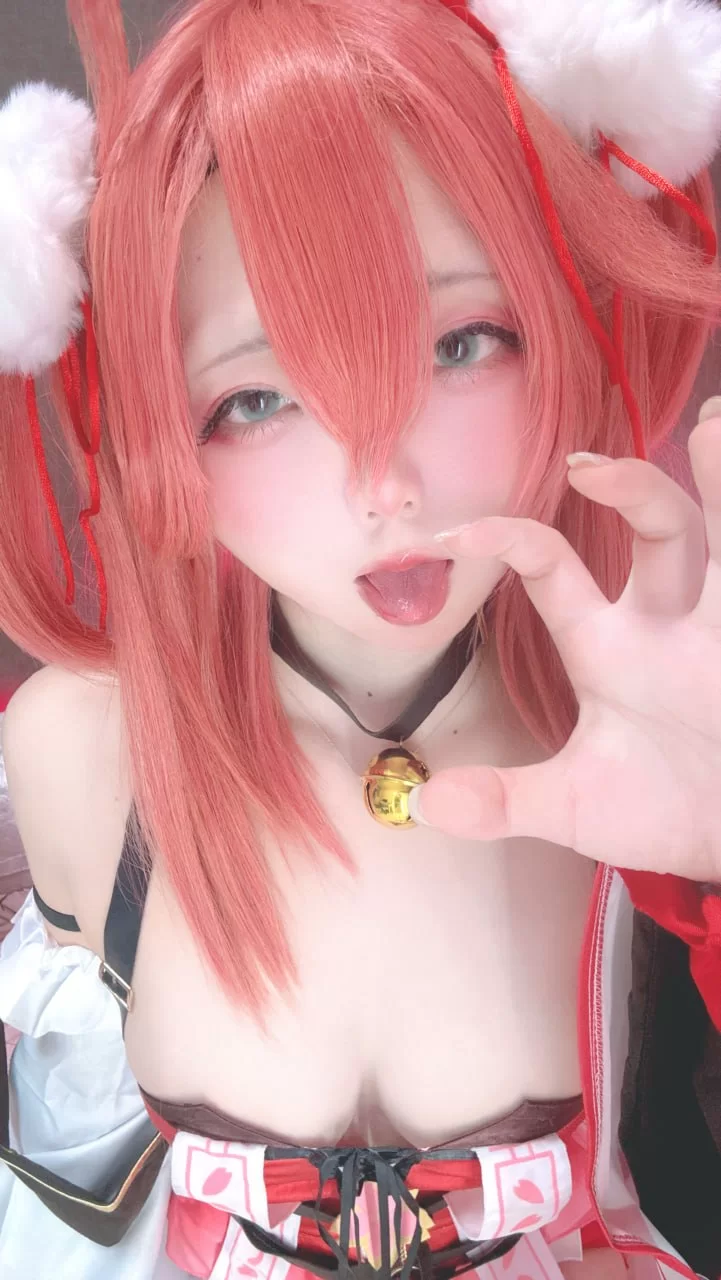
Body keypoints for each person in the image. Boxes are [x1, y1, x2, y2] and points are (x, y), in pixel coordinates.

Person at [0, 0, 720, 1277]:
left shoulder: (645, 730)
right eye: (256, 398)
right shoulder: (80, 746)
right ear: (162, 433)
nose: (384, 484)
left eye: (460, 341)